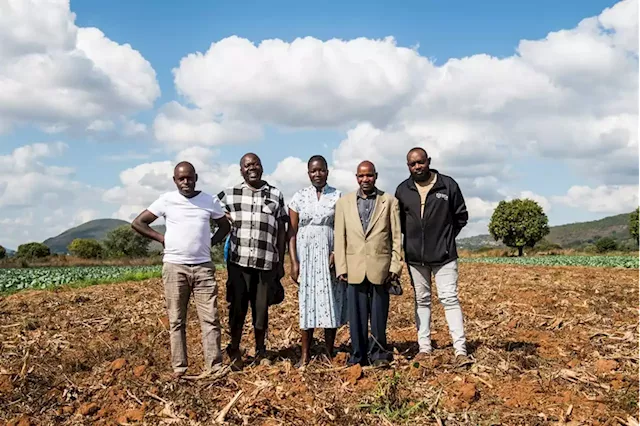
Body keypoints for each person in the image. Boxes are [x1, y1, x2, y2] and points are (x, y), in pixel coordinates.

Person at [131, 161, 230, 379]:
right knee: (176, 320)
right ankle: (180, 368)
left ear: (196, 177)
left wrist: (210, 242)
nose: (186, 182)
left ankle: (214, 367)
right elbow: (138, 222)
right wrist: (162, 239)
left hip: (203, 267)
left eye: (189, 177)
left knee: (210, 318)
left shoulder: (209, 200)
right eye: (181, 179)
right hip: (175, 267)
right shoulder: (167, 200)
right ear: (174, 180)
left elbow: (225, 226)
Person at [394, 147, 472, 367]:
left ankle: (460, 350)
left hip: (444, 257)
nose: (417, 167)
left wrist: (445, 239)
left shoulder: (447, 185)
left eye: (420, 162)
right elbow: (398, 222)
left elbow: (461, 217)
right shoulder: (403, 189)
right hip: (415, 258)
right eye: (412, 164)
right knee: (422, 300)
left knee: (449, 298)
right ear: (408, 166)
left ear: (428, 161)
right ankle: (424, 348)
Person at [216, 153, 288, 370]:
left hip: (266, 262)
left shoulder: (275, 194)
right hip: (238, 263)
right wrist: (222, 218)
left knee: (261, 309)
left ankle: (260, 350)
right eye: (247, 165)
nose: (252, 168)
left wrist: (281, 260)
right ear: (241, 170)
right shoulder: (230, 193)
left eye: (255, 164)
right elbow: (210, 211)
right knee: (237, 307)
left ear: (262, 167)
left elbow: (282, 230)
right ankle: (234, 348)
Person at [334, 161, 403, 367]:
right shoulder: (344, 203)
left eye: (369, 175)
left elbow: (396, 236)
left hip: (380, 268)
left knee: (379, 316)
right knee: (356, 317)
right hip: (354, 267)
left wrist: (395, 266)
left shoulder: (389, 201)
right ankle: (358, 356)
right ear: (356, 178)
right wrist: (341, 267)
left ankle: (379, 355)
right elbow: (340, 238)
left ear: (376, 176)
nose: (366, 180)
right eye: (362, 176)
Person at [288, 155, 347, 368]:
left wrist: (336, 253)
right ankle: (305, 355)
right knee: (307, 302)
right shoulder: (298, 197)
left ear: (327, 172)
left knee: (331, 300)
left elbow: (342, 228)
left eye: (321, 170)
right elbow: (292, 232)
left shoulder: (337, 196)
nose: (317, 174)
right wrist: (294, 262)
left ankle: (329, 353)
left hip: (329, 255)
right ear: (308, 173)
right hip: (306, 256)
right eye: (313, 171)